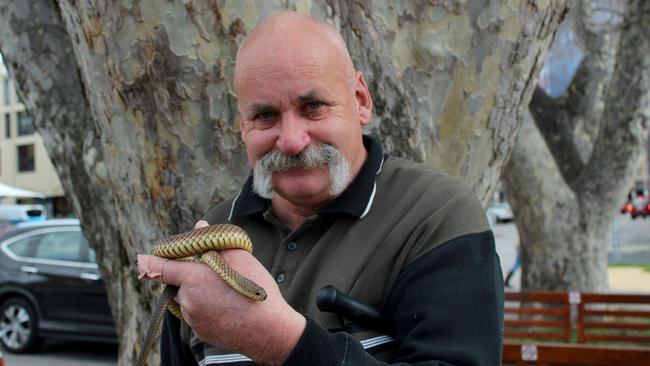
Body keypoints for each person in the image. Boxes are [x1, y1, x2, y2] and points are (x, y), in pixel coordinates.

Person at [137, 11, 504, 366]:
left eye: (313, 106)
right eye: (265, 115)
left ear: (360, 101)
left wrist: (281, 342)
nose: (292, 141)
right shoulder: (209, 238)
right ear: (242, 126)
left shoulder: (435, 214)